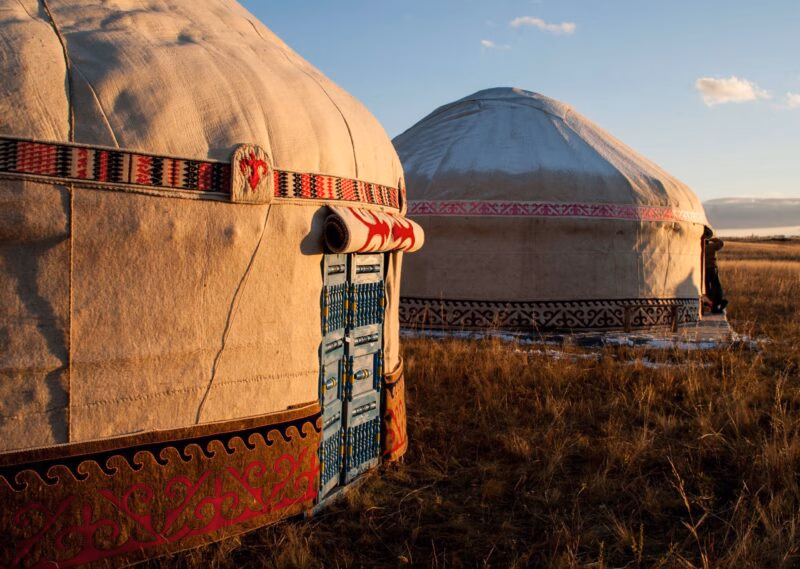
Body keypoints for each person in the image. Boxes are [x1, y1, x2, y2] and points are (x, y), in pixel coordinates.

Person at [703, 227, 728, 314]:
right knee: (716, 285)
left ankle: (713, 301)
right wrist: (713, 238)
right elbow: (721, 243)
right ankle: (717, 301)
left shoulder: (700, 248)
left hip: (704, 270)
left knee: (706, 287)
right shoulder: (711, 246)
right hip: (713, 268)